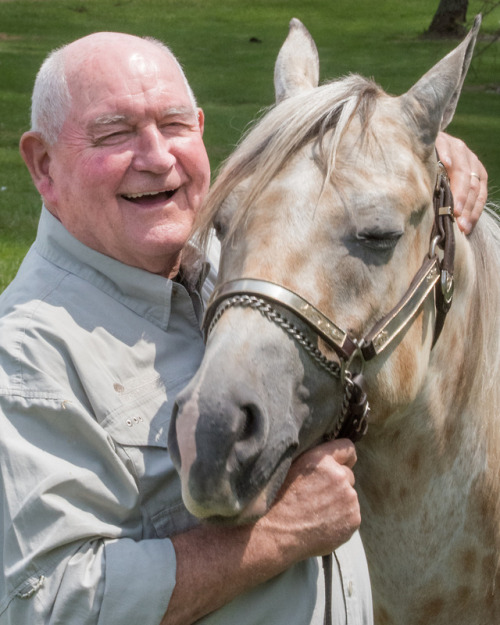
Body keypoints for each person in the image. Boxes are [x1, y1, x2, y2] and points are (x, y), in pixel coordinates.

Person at [0, 32, 487, 625]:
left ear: (202, 131)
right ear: (43, 165)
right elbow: (45, 606)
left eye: (175, 125)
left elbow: (320, 197)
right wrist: (279, 534)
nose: (156, 157)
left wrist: (417, 149)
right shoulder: (25, 357)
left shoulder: (234, 257)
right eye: (113, 133)